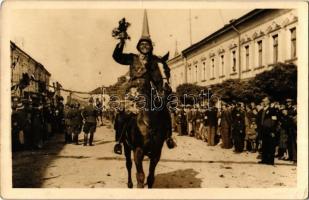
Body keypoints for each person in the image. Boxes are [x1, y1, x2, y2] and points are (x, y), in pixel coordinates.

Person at [112, 10, 175, 148]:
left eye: (147, 45)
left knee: (164, 112)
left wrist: (161, 91)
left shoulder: (154, 60)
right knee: (122, 115)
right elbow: (117, 57)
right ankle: (118, 141)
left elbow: (158, 79)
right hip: (132, 91)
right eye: (142, 45)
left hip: (149, 92)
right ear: (139, 47)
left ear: (151, 47)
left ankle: (169, 137)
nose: (145, 47)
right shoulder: (132, 58)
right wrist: (121, 41)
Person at [258, 97, 279, 165]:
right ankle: (264, 159)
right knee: (264, 145)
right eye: (263, 101)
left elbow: (274, 121)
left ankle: (270, 161)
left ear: (269, 102)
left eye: (265, 101)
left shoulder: (272, 110)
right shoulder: (261, 111)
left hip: (270, 130)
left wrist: (273, 131)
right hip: (263, 130)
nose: (264, 102)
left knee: (270, 145)